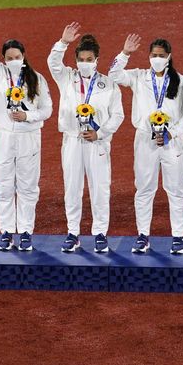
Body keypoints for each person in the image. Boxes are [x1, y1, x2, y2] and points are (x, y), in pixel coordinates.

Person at [0, 9, 53, 252]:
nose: (13, 60)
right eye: (8, 57)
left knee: (28, 186)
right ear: (4, 59)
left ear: (24, 56)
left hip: (28, 136)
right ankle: (6, 232)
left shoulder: (36, 79)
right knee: (3, 186)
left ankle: (26, 232)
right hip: (2, 136)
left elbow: (47, 109)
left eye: (16, 56)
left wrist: (28, 116)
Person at [109, 35, 183, 254]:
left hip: (172, 142)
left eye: (161, 56)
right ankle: (143, 236)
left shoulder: (181, 82)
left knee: (176, 189)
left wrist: (172, 132)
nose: (157, 59)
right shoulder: (138, 77)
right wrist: (125, 53)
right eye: (154, 55)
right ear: (149, 56)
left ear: (169, 57)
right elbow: (113, 74)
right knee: (144, 188)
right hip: (145, 140)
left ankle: (178, 237)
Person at [47, 23, 125, 253]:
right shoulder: (67, 77)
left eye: (89, 59)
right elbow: (53, 62)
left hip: (97, 142)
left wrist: (99, 132)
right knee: (72, 187)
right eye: (81, 58)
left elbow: (118, 115)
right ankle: (73, 233)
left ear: (97, 59)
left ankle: (100, 233)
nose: (85, 63)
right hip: (72, 140)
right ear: (76, 60)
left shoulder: (108, 84)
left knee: (100, 187)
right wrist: (63, 42)